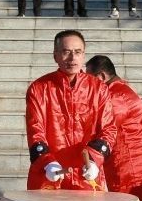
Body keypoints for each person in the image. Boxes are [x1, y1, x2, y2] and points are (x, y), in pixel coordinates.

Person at [26, 30, 117, 191]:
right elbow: (35, 129)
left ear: (83, 55)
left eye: (77, 52)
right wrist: (46, 162)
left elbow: (109, 129)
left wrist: (95, 160)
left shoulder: (99, 89)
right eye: (66, 52)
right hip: (49, 175)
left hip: (87, 175)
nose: (72, 58)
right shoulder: (39, 88)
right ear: (55, 55)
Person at [85, 55, 142, 201]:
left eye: (90, 79)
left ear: (101, 76)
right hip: (134, 168)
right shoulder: (119, 90)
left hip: (131, 170)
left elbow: (102, 127)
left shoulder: (116, 97)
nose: (88, 85)